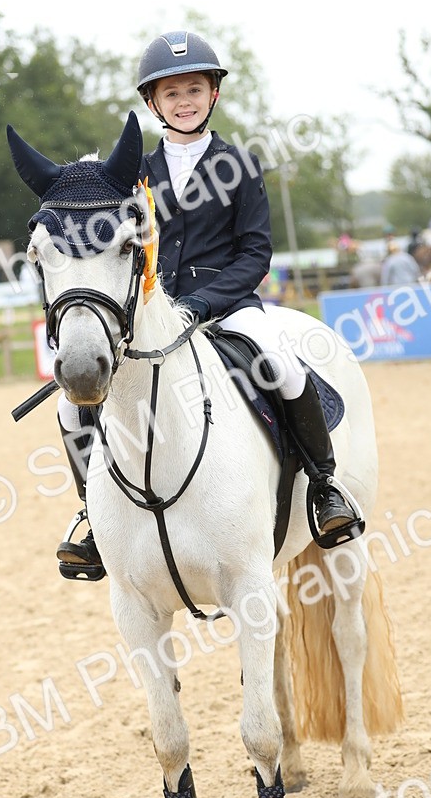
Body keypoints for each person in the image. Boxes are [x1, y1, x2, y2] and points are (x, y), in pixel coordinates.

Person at [55, 30, 363, 581]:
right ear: (153, 104)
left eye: (194, 89)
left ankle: (323, 486)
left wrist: (200, 303)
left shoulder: (239, 165)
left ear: (213, 94)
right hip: (151, 317)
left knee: (282, 364)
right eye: (171, 94)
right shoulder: (134, 176)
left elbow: (255, 252)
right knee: (70, 404)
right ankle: (93, 517)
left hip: (227, 305)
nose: (184, 101)